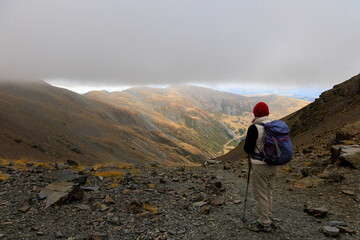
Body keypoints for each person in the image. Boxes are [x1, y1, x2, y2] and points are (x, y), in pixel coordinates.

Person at [244, 102, 278, 232]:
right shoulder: (274, 126)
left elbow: (248, 148)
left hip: (260, 165)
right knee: (269, 191)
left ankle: (264, 222)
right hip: (274, 164)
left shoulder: (255, 127)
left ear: (255, 113)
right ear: (267, 113)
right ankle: (267, 216)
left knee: (261, 194)